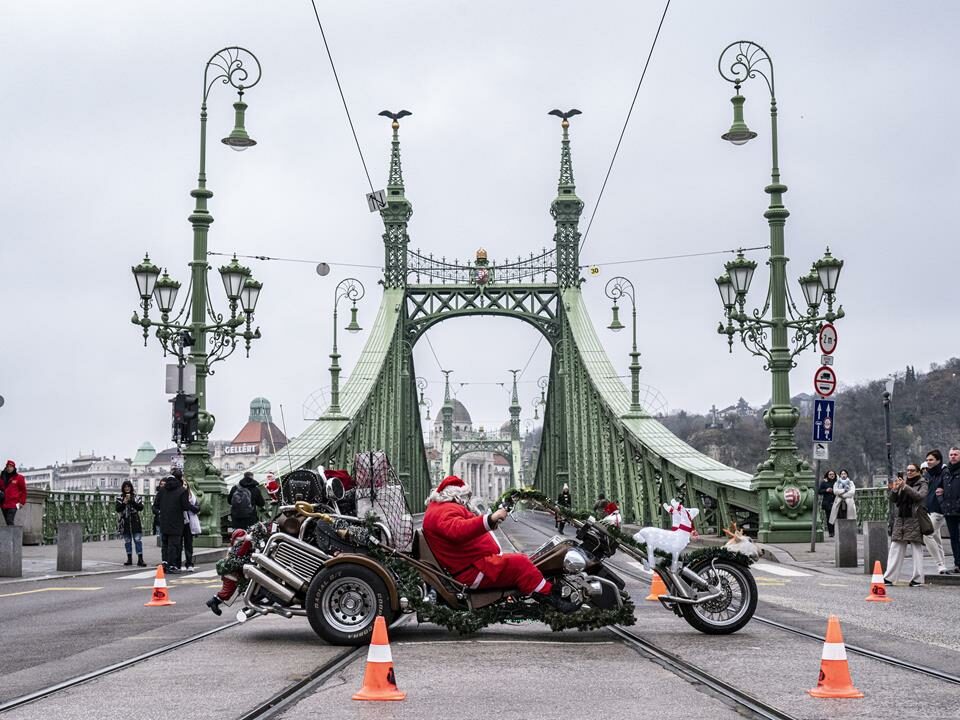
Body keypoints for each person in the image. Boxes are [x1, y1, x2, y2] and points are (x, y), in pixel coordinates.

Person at [422, 475, 576, 613]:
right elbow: (458, 529)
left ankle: (542, 589)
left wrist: (492, 522)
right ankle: (552, 597)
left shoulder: (441, 508)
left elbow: (461, 528)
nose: (468, 499)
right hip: (473, 571)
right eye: (466, 495)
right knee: (520, 564)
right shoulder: (444, 510)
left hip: (473, 564)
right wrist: (489, 519)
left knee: (522, 561)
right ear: (457, 494)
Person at [884, 462, 928, 586]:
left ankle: (917, 578)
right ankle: (889, 577)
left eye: (912, 470)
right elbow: (893, 500)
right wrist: (895, 489)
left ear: (918, 471)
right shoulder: (903, 483)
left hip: (914, 518)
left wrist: (905, 487)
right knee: (895, 547)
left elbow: (919, 496)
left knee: (916, 548)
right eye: (907, 470)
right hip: (900, 518)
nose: (909, 472)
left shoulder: (922, 483)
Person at [154, 470, 189, 573]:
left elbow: (155, 505)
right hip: (177, 521)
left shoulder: (162, 490)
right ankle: (172, 564)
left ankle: (164, 562)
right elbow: (185, 506)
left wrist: (161, 512)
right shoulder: (182, 490)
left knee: (165, 544)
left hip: (164, 520)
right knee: (174, 544)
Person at [921, 450, 949, 574]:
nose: (928, 462)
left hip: (938, 510)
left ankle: (940, 565)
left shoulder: (945, 473)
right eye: (927, 460)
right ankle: (942, 565)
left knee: (927, 535)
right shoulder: (927, 474)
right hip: (928, 509)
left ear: (938, 460)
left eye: (931, 460)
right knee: (936, 539)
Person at [115, 480, 146, 567]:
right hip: (125, 521)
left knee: (137, 540)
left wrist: (132, 501)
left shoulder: (136, 497)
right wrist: (124, 503)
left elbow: (140, 508)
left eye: (128, 487)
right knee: (127, 541)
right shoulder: (119, 498)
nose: (127, 488)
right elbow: (118, 509)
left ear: (131, 488)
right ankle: (129, 558)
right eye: (125, 487)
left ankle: (140, 559)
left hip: (135, 520)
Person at [940, 446, 960, 574]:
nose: (953, 456)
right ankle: (957, 563)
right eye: (951, 454)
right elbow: (939, 489)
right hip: (949, 510)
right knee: (954, 538)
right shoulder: (946, 471)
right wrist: (941, 501)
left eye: (956, 454)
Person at [182, 480, 201, 572]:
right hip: (180, 521)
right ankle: (177, 563)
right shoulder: (178, 495)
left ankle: (189, 563)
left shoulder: (192, 496)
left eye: (186, 485)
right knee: (178, 544)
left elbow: (197, 508)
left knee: (188, 543)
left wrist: (188, 506)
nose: (184, 486)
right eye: (183, 484)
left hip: (189, 522)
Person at [0, 460, 27, 526]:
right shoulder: (2, 477)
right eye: (8, 466)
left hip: (14, 504)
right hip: (3, 503)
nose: (9, 468)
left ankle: (14, 535)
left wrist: (22, 502)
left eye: (11, 467)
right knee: (8, 522)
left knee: (9, 520)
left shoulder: (19, 478)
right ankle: (11, 535)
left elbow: (23, 491)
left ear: (14, 468)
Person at [818, 469, 838, 537]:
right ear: (827, 475)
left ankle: (837, 531)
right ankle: (831, 532)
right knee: (829, 517)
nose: (831, 475)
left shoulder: (837, 482)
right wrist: (826, 490)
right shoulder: (824, 482)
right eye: (830, 474)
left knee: (837, 517)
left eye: (833, 474)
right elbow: (819, 491)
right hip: (827, 502)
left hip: (836, 501)